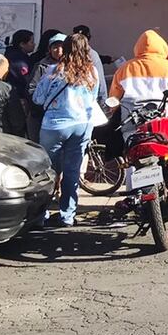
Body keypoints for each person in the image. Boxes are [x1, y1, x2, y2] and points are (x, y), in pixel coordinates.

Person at [33, 34, 103, 228]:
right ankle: (67, 215)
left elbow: (38, 98)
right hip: (82, 124)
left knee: (48, 170)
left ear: (65, 48)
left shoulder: (53, 70)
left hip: (55, 125)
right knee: (72, 171)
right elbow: (94, 97)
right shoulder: (93, 72)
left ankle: (42, 214)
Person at [110, 29, 168, 134]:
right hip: (161, 117)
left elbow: (114, 97)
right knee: (167, 146)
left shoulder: (125, 68)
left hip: (131, 119)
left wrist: (114, 111)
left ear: (138, 47)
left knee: (130, 145)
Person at [26, 32, 67, 143]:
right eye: (55, 47)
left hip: (64, 118)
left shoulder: (72, 67)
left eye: (62, 47)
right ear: (49, 49)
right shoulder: (41, 66)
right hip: (41, 117)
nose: (59, 51)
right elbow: (31, 89)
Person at [3, 29, 35, 104]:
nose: (34, 44)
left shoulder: (20, 56)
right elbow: (26, 80)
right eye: (32, 42)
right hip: (17, 97)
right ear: (22, 44)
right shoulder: (18, 60)